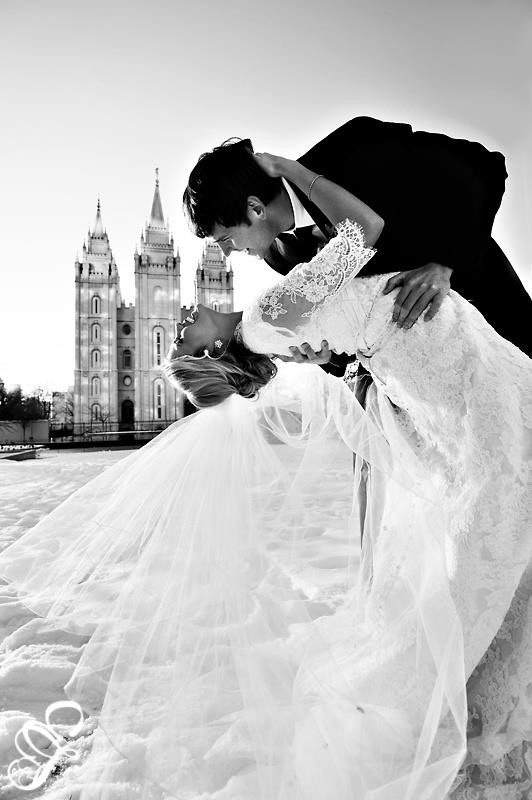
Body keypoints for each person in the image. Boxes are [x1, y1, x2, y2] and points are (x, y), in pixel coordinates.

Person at [0, 176, 530, 800]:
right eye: (183, 342)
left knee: (488, 581)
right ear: (217, 351)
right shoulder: (268, 319)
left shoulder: (274, 326)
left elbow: (358, 319)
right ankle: (459, 739)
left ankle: (471, 735)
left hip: (473, 395)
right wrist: (291, 171)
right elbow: (359, 237)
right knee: (483, 585)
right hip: (484, 395)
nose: (179, 322)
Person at [183, 117, 532, 367]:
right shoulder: (281, 255)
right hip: (429, 370)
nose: (227, 253)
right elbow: (344, 329)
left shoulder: (353, 148)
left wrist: (445, 263)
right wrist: (325, 358)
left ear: (255, 208)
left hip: (488, 309)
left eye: (226, 239)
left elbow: (482, 167)